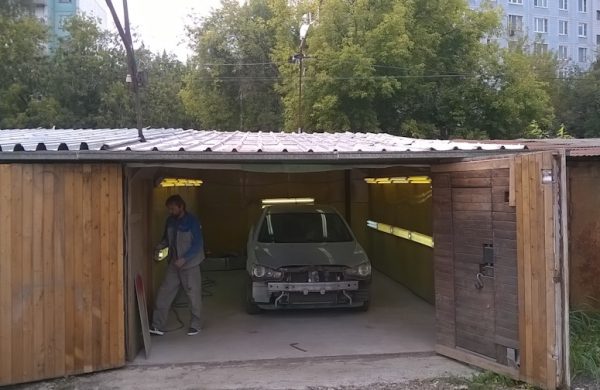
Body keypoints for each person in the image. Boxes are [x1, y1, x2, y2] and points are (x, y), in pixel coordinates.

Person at [150, 194, 205, 336]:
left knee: (193, 295)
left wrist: (185, 259)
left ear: (181, 207)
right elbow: (166, 240)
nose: (170, 211)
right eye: (169, 209)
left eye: (173, 209)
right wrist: (158, 247)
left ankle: (196, 324)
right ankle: (157, 325)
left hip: (190, 265)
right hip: (174, 264)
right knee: (164, 293)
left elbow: (198, 244)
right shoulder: (170, 221)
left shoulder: (192, 222)